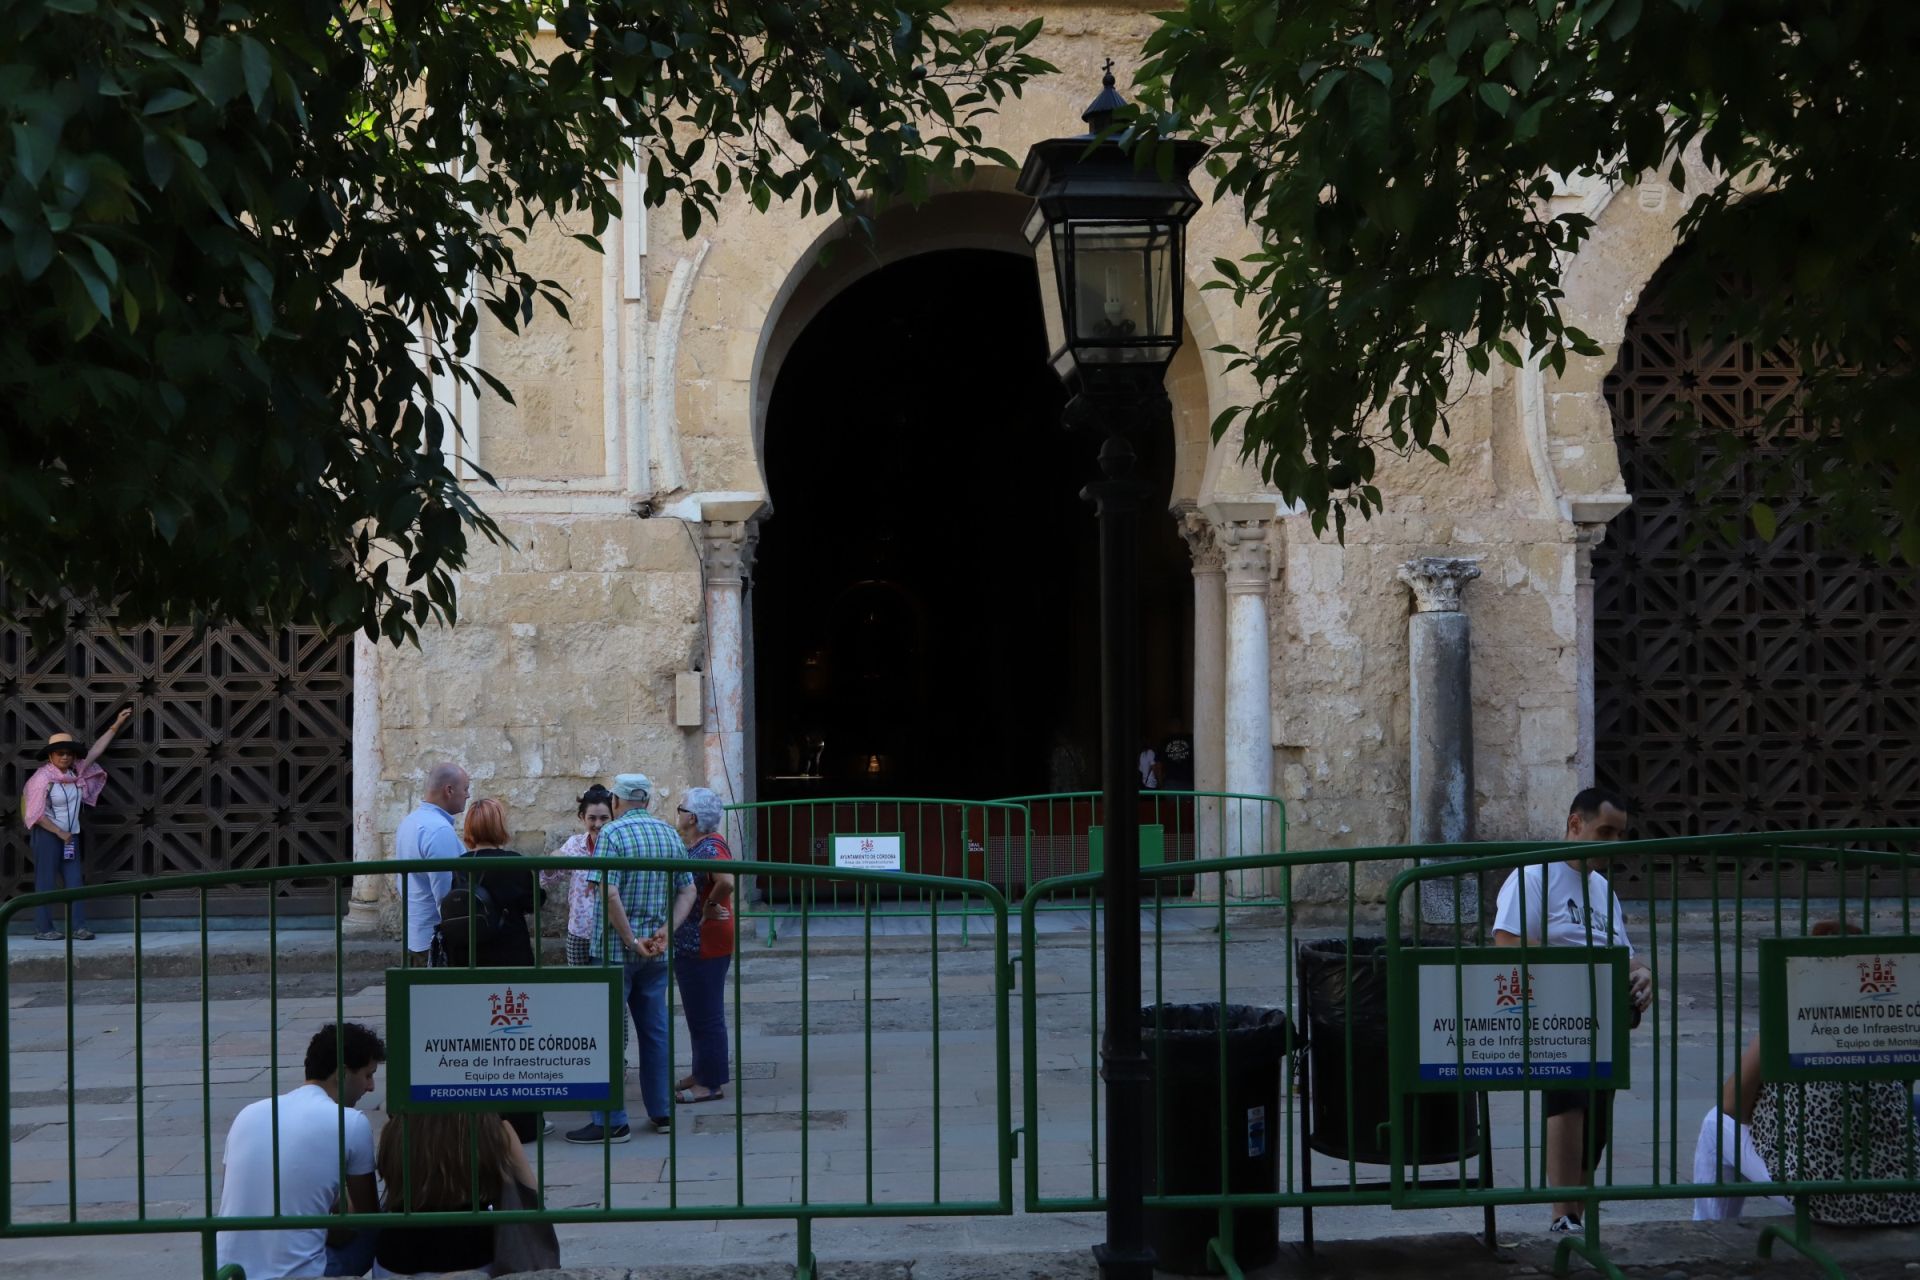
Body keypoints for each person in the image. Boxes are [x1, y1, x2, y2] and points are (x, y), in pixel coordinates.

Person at [1491, 786, 1654, 1234]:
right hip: (1557, 1009)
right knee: (1570, 1102)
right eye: (1604, 831)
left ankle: (1576, 1213)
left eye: (1619, 835)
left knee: (1597, 1115)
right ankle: (1563, 1214)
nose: (1612, 844)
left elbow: (1623, 951)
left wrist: (1641, 974)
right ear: (1574, 824)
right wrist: (1574, 969)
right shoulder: (1535, 876)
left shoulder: (1603, 890)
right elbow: (1507, 942)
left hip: (1604, 1011)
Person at [1694, 921, 1920, 1226]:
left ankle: (1710, 1232)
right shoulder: (1888, 1020)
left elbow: (1732, 1106)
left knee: (1714, 1125)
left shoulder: (1792, 1013)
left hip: (1821, 1198)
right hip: (1901, 1196)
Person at [565, 772, 696, 1144]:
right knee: (655, 1031)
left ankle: (611, 1121)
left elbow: (608, 893)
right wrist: (666, 932)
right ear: (648, 801)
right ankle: (662, 1111)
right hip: (655, 951)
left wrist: (630, 938)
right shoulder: (669, 834)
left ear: (617, 803)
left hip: (614, 951)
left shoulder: (612, 834)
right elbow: (687, 890)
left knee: (604, 1033)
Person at [215, 1023, 386, 1279]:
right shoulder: (349, 1121)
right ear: (342, 1074)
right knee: (385, 1219)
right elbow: (365, 1218)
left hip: (231, 1271)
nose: (371, 1087)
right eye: (368, 1075)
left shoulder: (248, 1114)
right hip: (302, 1272)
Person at [438, 796, 545, 1145]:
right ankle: (523, 1123)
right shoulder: (512, 863)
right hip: (509, 957)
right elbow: (532, 900)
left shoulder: (460, 864)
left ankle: (481, 1119)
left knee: (478, 1039)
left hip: (469, 956)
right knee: (515, 1039)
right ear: (500, 827)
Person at [372, 1111, 540, 1278]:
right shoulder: (491, 1125)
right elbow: (531, 1196)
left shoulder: (399, 1124)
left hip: (395, 1259)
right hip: (474, 1259)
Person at [19, 710, 132, 941]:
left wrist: (116, 724)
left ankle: (79, 927)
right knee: (46, 881)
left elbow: (96, 751)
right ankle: (43, 929)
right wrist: (59, 832)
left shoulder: (75, 772)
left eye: (69, 754)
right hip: (49, 835)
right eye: (60, 753)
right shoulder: (41, 780)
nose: (65, 758)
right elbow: (35, 815)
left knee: (75, 882)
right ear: (50, 756)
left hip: (71, 836)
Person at [670, 786, 735, 1104]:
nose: (677, 812)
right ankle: (702, 1070)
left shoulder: (710, 848)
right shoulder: (701, 844)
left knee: (706, 1013)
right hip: (696, 941)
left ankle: (710, 1084)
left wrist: (710, 906)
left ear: (692, 818)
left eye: (680, 808)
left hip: (704, 942)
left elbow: (726, 880)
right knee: (699, 1012)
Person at [390, 762, 470, 966]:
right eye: (465, 789)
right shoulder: (438, 830)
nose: (468, 796)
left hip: (416, 934)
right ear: (449, 790)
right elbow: (447, 896)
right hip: (435, 942)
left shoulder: (410, 822)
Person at [549, 785, 615, 968]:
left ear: (613, 817)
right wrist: (551, 862)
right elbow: (550, 878)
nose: (598, 824)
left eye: (604, 818)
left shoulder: (619, 845)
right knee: (579, 989)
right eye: (592, 818)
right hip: (579, 931)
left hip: (610, 932)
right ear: (582, 818)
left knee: (607, 990)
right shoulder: (575, 844)